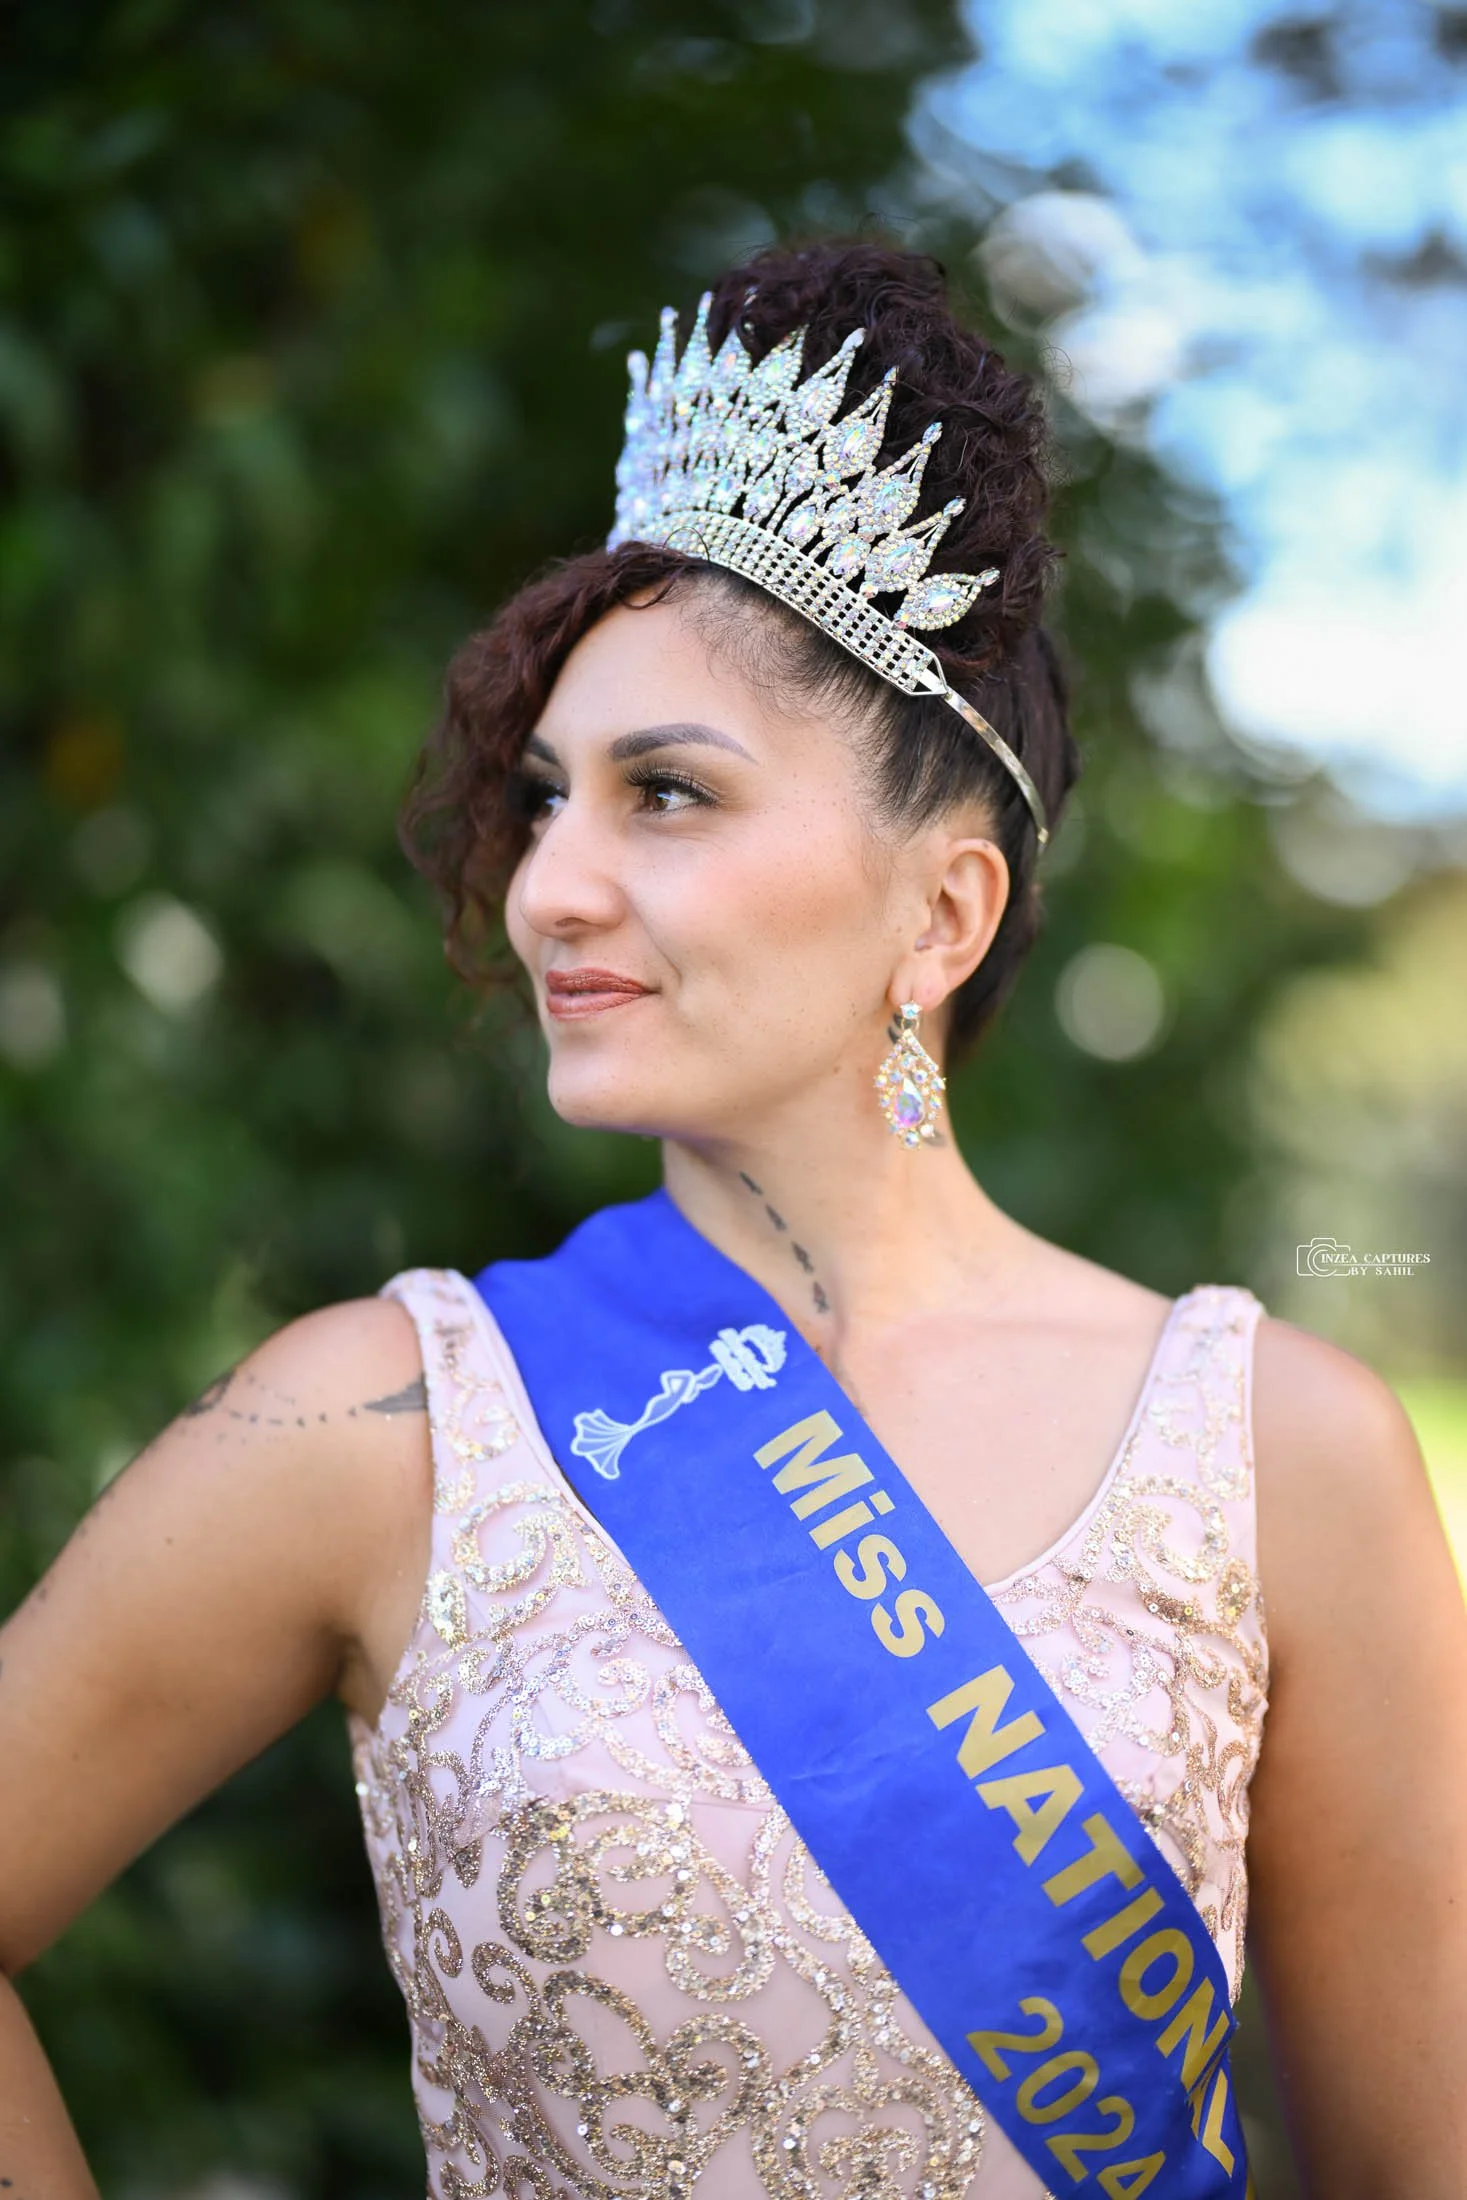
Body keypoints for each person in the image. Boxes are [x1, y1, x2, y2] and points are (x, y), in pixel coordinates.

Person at [2, 242, 1464, 2200]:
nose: (548, 885)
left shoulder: (1281, 1455)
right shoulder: (379, 1424)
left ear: (940, 912)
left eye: (667, 794)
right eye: (545, 798)